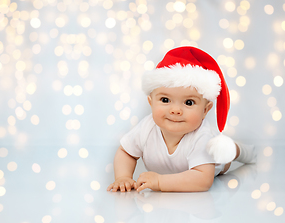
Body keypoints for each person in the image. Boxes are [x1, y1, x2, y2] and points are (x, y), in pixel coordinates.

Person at [107, 46, 256, 193]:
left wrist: (160, 182)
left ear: (205, 110)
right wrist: (123, 177)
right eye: (165, 100)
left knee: (228, 150)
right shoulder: (146, 127)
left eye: (188, 102)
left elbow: (202, 180)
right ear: (151, 102)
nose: (175, 110)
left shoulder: (202, 137)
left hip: (217, 157)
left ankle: (247, 151)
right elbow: (126, 152)